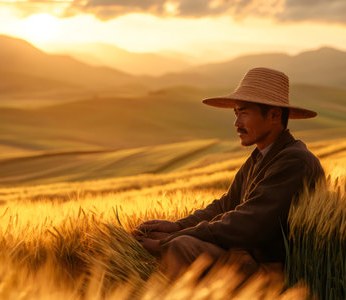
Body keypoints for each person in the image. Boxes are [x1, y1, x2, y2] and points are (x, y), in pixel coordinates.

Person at [134, 67, 325, 280]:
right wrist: (178, 225)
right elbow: (226, 205)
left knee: (180, 246)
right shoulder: (260, 156)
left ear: (274, 115)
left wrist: (169, 240)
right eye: (236, 114)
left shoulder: (294, 161)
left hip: (273, 272)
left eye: (243, 113)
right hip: (246, 258)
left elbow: (248, 225)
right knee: (175, 240)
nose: (236, 123)